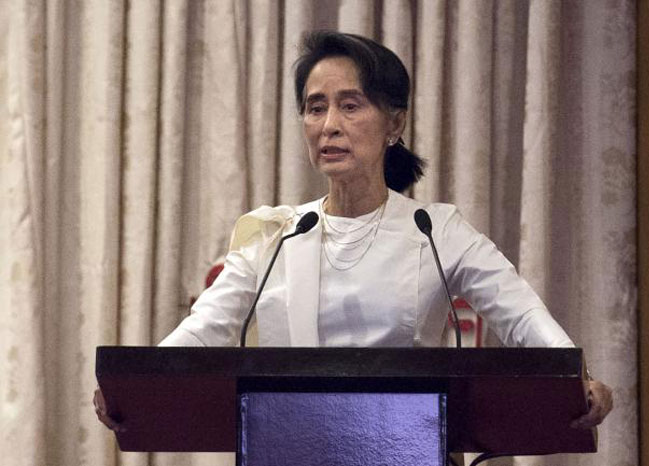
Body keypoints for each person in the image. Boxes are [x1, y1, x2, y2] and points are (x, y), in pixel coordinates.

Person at [95, 30, 612, 432]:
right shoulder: (275, 236)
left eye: (350, 104)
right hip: (288, 441)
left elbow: (519, 311)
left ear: (394, 123)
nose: (329, 125)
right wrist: (136, 387)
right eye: (315, 108)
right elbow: (203, 330)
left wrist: (579, 380)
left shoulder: (434, 230)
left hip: (407, 439)